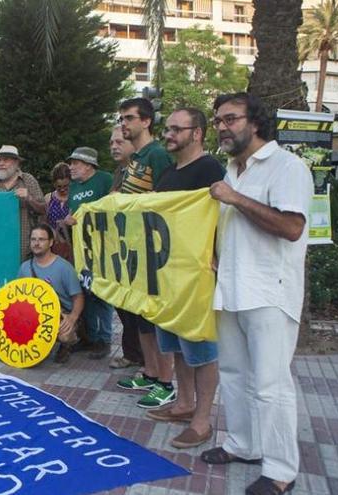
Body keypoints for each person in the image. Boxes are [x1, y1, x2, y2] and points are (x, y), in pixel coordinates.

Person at [201, 93, 311, 495]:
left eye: (230, 119)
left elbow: (292, 227)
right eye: (218, 121)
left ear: (255, 122)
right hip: (230, 290)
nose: (222, 127)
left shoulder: (287, 167)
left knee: (271, 385)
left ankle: (281, 470)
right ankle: (244, 445)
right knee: (233, 375)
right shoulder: (232, 170)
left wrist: (234, 199)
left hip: (269, 292)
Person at [144, 107, 226, 448]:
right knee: (177, 345)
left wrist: (219, 258)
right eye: (168, 129)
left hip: (197, 278)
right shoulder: (166, 174)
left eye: (177, 129)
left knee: (202, 349)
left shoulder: (210, 169)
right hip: (170, 278)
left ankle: (203, 420)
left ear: (197, 133)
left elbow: (223, 216)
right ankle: (184, 403)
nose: (169, 134)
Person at [114, 97, 176, 409]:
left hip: (154, 250)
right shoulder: (135, 159)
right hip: (133, 250)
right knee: (139, 318)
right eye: (122, 118)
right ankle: (150, 373)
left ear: (146, 121)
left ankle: (166, 382)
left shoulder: (158, 154)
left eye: (129, 118)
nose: (123, 124)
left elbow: (166, 201)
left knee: (153, 318)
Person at [61, 147, 113, 361]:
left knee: (102, 294)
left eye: (75, 163)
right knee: (85, 292)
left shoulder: (105, 180)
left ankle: (104, 339)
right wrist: (68, 221)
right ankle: (90, 337)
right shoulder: (73, 187)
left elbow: (114, 208)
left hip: (104, 248)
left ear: (89, 164)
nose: (70, 167)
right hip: (82, 250)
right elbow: (73, 214)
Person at [18, 224, 84, 364]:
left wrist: (72, 317)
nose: (36, 243)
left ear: (51, 242)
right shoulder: (24, 268)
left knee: (65, 335)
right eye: (33, 239)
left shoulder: (64, 267)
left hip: (60, 313)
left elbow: (78, 297)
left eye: (41, 239)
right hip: (34, 313)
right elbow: (17, 296)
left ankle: (67, 343)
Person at [107, 126, 145, 370]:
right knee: (123, 306)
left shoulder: (142, 170)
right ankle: (132, 354)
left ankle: (150, 362)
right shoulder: (119, 171)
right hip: (119, 248)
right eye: (111, 142)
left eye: (119, 141)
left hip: (139, 249)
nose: (114, 146)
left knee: (139, 309)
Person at [0, 145, 45, 260]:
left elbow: (43, 209)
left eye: (6, 160)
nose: (1, 163)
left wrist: (29, 198)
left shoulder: (28, 180)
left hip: (24, 250)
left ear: (16, 163)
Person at [42, 162, 72, 261]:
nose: (63, 189)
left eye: (66, 186)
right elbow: (43, 222)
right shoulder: (48, 198)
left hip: (73, 245)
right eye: (59, 186)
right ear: (54, 183)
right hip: (53, 246)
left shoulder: (75, 198)